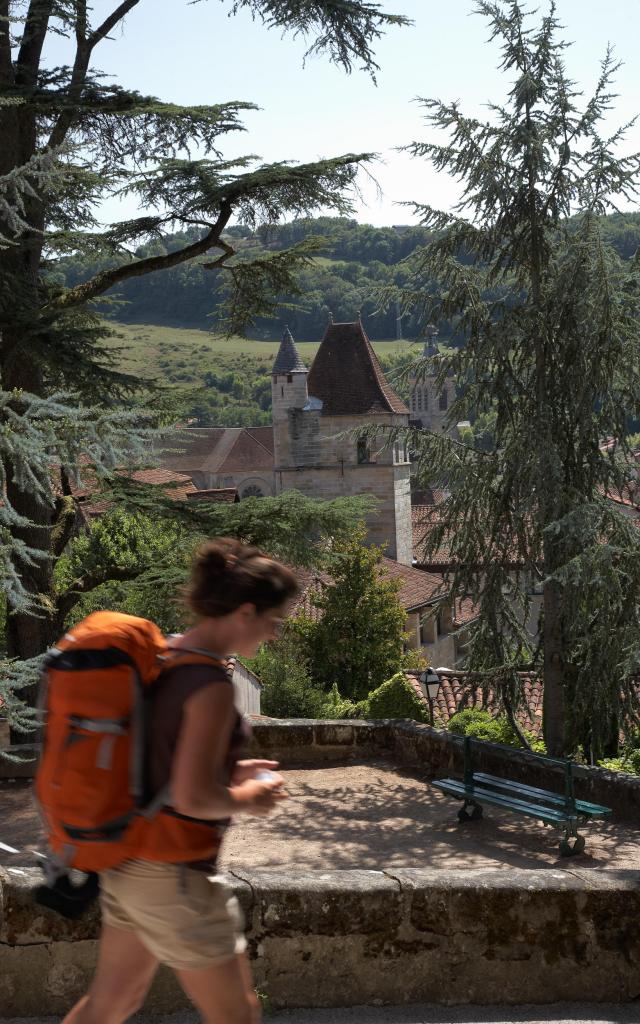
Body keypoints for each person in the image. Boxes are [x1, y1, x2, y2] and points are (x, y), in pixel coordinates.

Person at [62, 538, 299, 1024]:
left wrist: (231, 771)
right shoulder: (210, 686)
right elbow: (193, 796)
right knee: (238, 1016)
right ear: (246, 611)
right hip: (172, 873)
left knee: (111, 1004)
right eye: (273, 621)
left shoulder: (166, 656)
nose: (274, 633)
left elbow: (158, 762)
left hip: (127, 863)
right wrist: (249, 797)